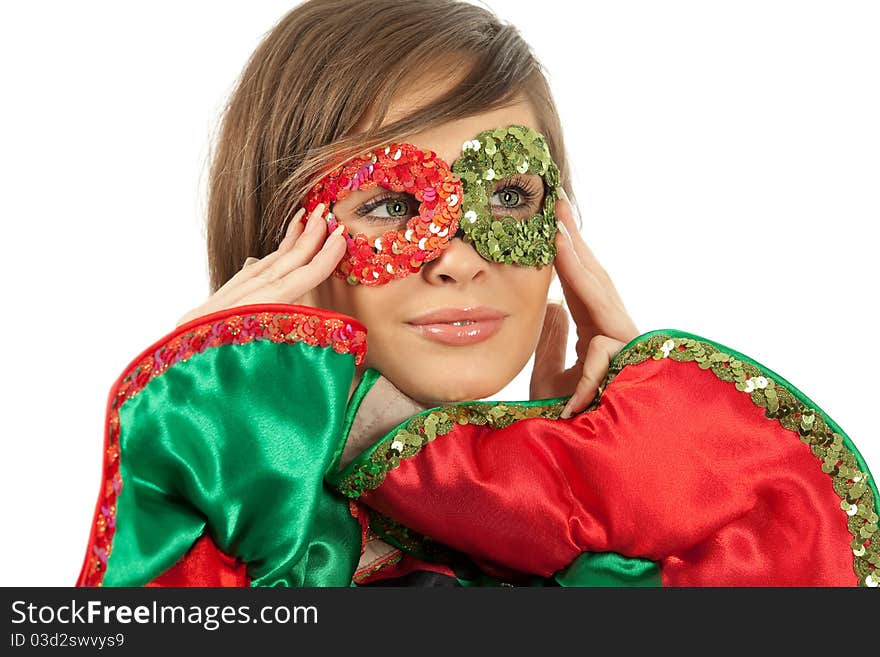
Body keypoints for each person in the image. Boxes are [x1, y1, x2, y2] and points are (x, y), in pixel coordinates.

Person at [76, 0, 878, 588]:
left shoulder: (586, 546)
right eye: (393, 204)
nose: (460, 262)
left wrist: (639, 474)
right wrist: (201, 431)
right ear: (281, 234)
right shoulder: (231, 542)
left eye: (508, 198)